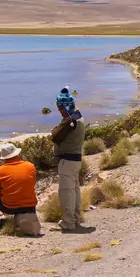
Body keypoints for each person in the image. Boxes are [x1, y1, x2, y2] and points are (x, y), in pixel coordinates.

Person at [0, 144, 39, 234]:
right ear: (17, 154)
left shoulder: (0, 171)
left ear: (4, 158)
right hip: (29, 206)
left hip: (10, 207)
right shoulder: (30, 166)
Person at [51, 86, 86, 231]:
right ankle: (76, 218)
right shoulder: (78, 116)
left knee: (66, 191)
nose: (59, 111)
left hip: (68, 160)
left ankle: (68, 222)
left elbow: (55, 135)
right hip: (76, 159)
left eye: (59, 108)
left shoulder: (69, 121)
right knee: (74, 190)